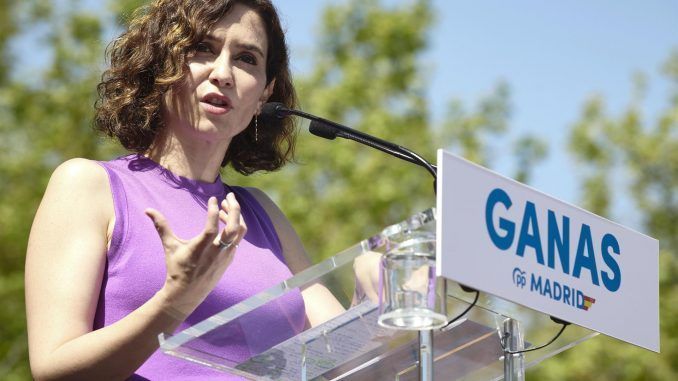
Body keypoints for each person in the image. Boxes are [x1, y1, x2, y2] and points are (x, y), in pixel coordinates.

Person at [25, 0, 343, 379]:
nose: (223, 72)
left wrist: (391, 301)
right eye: (202, 48)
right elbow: (52, 368)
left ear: (264, 95)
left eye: (246, 59)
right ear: (161, 64)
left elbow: (341, 351)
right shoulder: (88, 185)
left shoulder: (261, 212)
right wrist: (173, 302)